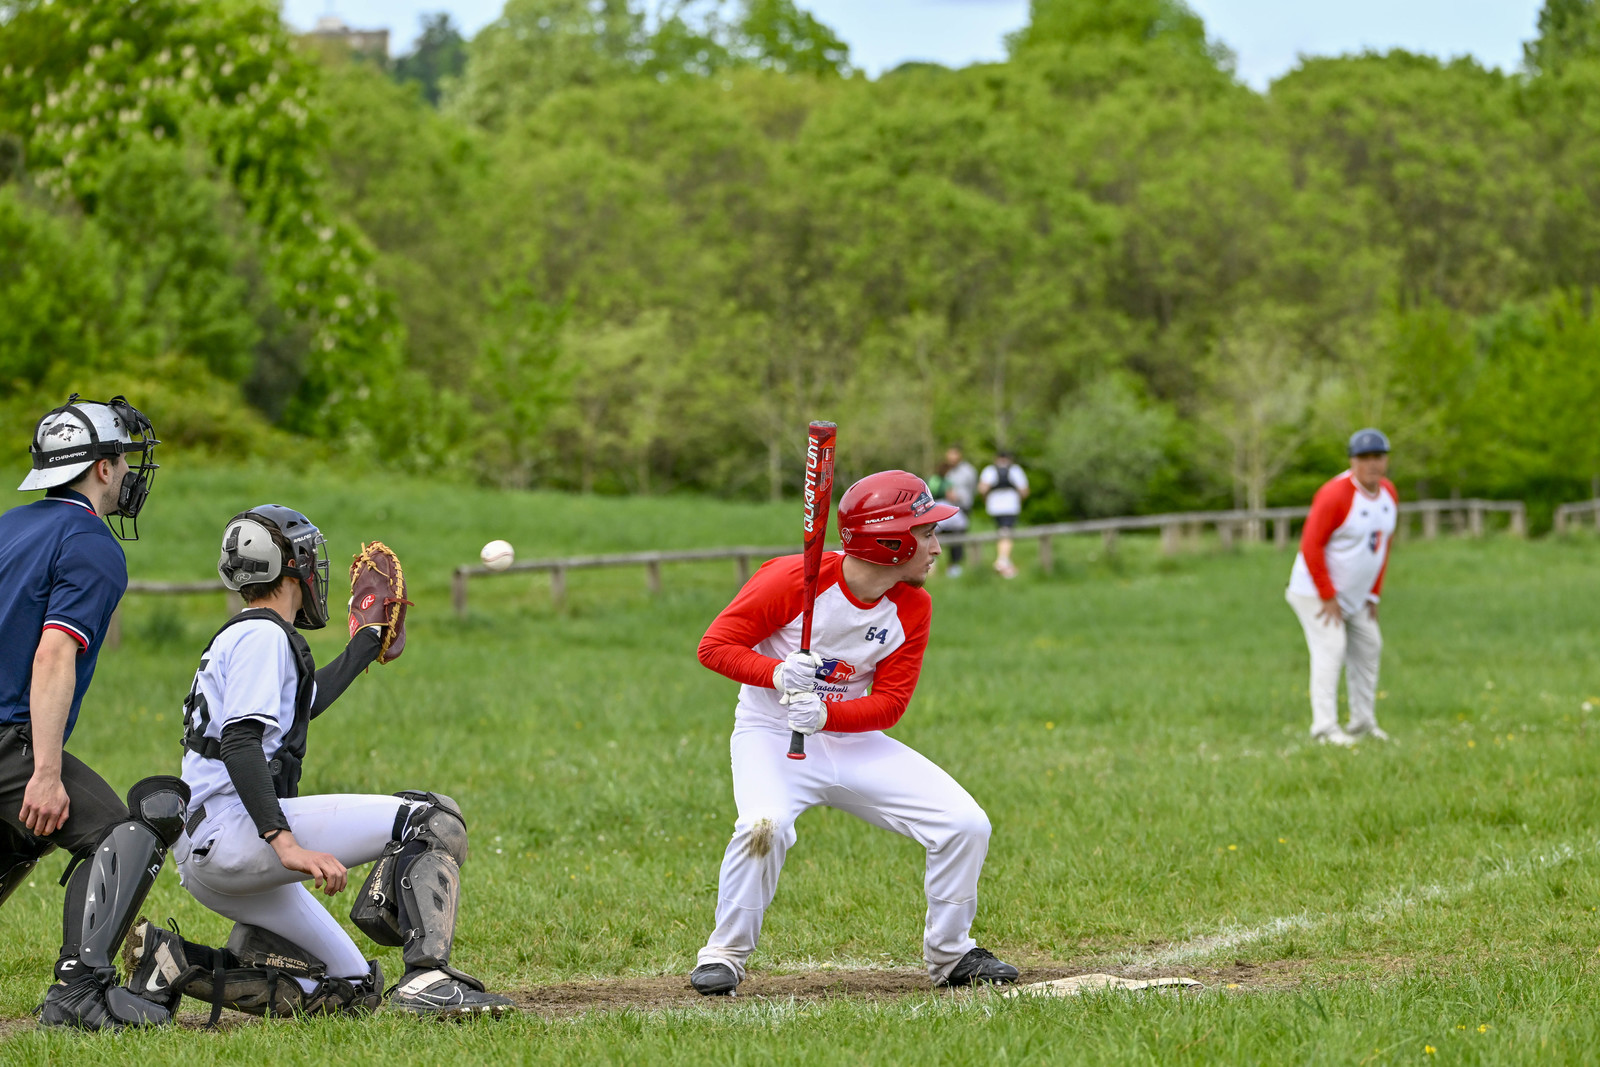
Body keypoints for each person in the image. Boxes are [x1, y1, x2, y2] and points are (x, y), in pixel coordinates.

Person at [122, 506, 514, 1020]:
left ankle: (172, 963)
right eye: (308, 553)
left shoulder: (247, 633)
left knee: (350, 991)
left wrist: (364, 645)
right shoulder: (263, 637)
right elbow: (241, 743)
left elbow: (299, 707)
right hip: (238, 835)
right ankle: (428, 979)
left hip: (206, 851)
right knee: (432, 818)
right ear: (291, 566)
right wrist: (285, 843)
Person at [688, 471, 1017, 996]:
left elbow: (889, 704)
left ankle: (952, 955)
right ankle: (724, 955)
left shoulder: (912, 606)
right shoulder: (791, 580)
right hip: (772, 735)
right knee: (763, 826)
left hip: (851, 740)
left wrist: (826, 716)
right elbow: (716, 646)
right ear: (889, 543)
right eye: (925, 534)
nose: (936, 546)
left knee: (964, 824)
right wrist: (774, 673)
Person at [1, 394, 192, 1031]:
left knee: (19, 835)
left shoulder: (8, 526)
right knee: (121, 832)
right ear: (102, 469)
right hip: (8, 739)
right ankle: (78, 993)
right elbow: (54, 656)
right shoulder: (90, 542)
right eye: (122, 460)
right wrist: (46, 771)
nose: (129, 474)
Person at [1285, 429, 1398, 746]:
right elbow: (1311, 546)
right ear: (1352, 461)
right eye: (1364, 458)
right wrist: (1327, 595)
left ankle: (1363, 723)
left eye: (1378, 457)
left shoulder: (1388, 494)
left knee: (1369, 645)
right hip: (1315, 593)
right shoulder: (1335, 495)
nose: (1372, 464)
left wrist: (1373, 593)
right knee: (1331, 648)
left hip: (1355, 596)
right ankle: (1324, 729)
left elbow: (1380, 548)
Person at [977, 451, 1029, 578]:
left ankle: (1004, 560)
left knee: (1002, 531)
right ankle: (1002, 560)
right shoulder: (1015, 470)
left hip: (994, 506)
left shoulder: (990, 470)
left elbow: (982, 489)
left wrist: (986, 500)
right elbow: (1024, 491)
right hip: (1011, 505)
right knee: (1007, 532)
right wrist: (1019, 500)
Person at [934, 446, 977, 577]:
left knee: (958, 537)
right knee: (939, 535)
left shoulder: (968, 470)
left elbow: (972, 487)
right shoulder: (944, 470)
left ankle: (954, 566)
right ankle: (933, 565)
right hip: (945, 507)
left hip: (962, 507)